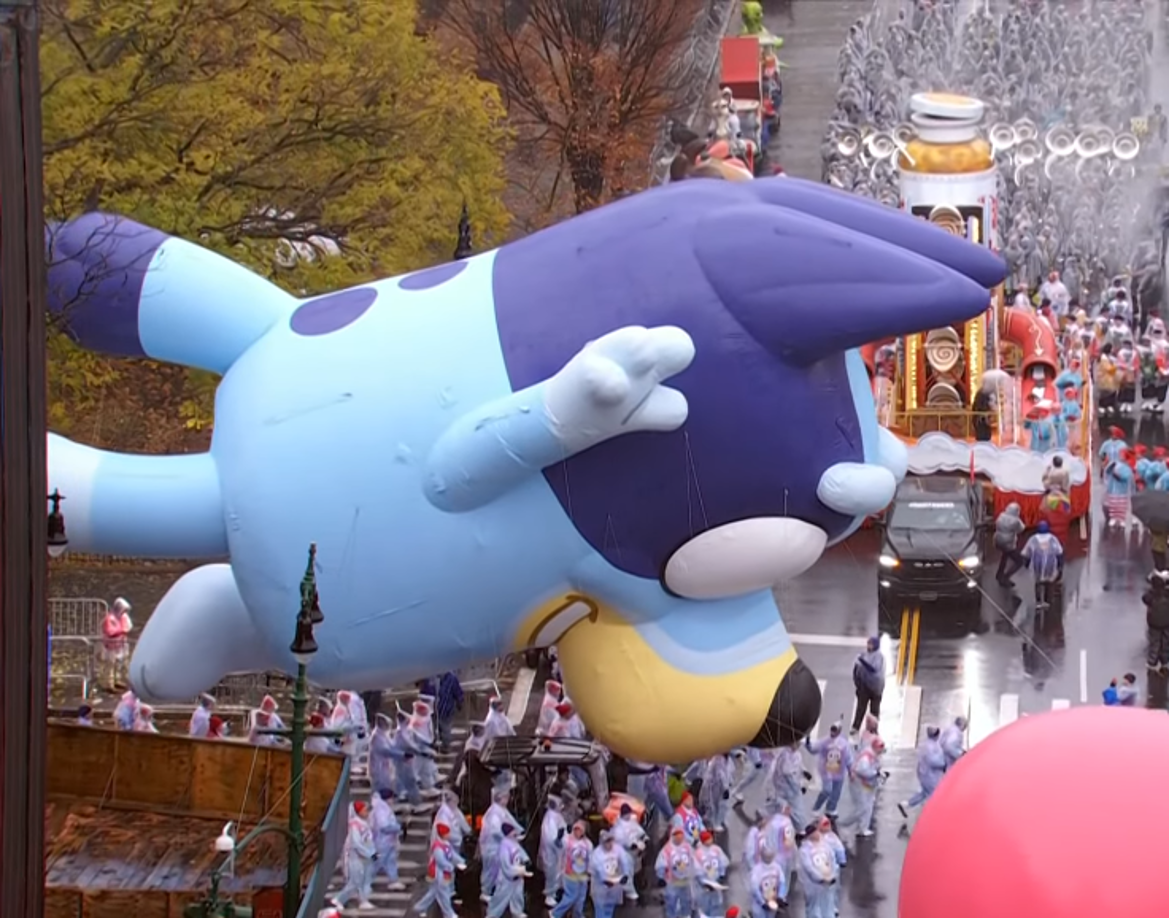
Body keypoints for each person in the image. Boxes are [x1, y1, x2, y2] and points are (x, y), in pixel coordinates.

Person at [479, 788, 523, 903]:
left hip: (499, 847)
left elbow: (511, 822)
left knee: (498, 870)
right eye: (506, 797)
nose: (508, 800)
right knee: (490, 870)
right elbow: (495, 830)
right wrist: (510, 837)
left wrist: (519, 831)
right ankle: (485, 892)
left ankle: (495, 891)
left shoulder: (502, 810)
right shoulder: (493, 812)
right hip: (491, 847)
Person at [332, 801, 376, 911]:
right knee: (355, 881)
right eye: (365, 810)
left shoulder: (364, 823)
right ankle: (338, 899)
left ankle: (363, 900)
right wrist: (369, 853)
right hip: (355, 857)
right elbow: (356, 843)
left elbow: (368, 841)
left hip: (364, 857)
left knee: (363, 880)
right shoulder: (355, 825)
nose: (367, 812)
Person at [838, 736, 884, 838]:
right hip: (859, 784)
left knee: (868, 806)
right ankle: (843, 824)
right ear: (875, 747)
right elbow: (862, 770)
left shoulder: (874, 756)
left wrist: (878, 774)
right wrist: (875, 773)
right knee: (862, 808)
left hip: (868, 784)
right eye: (880, 748)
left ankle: (863, 828)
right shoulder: (866, 757)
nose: (881, 750)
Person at [416, 822, 464, 918]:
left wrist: (460, 861)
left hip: (444, 873)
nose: (449, 835)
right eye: (448, 833)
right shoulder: (438, 847)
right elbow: (441, 861)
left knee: (433, 893)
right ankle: (448, 914)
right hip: (438, 873)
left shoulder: (446, 844)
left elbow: (452, 855)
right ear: (443, 835)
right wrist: (451, 866)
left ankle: (420, 907)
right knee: (444, 894)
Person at [897, 725, 946, 821]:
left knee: (924, 793)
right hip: (931, 776)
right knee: (934, 796)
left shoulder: (925, 745)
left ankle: (906, 804)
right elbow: (934, 761)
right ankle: (932, 817)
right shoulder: (932, 747)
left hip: (923, 773)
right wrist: (943, 764)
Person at [486, 823, 530, 918]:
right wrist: (516, 871)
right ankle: (492, 914)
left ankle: (517, 911)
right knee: (500, 897)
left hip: (518, 873)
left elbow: (521, 852)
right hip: (507, 877)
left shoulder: (514, 842)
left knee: (517, 895)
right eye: (513, 832)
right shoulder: (504, 846)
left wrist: (526, 860)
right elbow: (505, 865)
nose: (515, 833)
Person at [806, 722, 851, 816]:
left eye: (835, 730)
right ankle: (816, 807)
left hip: (839, 771)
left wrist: (850, 770)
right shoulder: (824, 741)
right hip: (827, 771)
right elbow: (813, 749)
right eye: (832, 729)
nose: (833, 732)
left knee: (836, 793)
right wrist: (808, 743)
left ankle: (831, 809)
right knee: (827, 790)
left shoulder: (844, 743)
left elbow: (848, 757)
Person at [551, 821, 593, 918]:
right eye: (576, 829)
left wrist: (590, 872)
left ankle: (577, 915)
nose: (578, 832)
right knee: (571, 896)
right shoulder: (567, 839)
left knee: (581, 897)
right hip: (570, 872)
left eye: (580, 830)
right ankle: (555, 913)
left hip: (583, 874)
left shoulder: (588, 843)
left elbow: (590, 858)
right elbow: (558, 845)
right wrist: (558, 838)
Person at [796, 822, 838, 918]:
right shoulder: (804, 850)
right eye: (815, 832)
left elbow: (832, 860)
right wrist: (820, 878)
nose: (818, 833)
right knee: (813, 908)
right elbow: (808, 867)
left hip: (827, 883)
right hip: (812, 885)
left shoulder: (825, 846)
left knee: (828, 905)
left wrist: (832, 875)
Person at [655, 825, 695, 918]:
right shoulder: (666, 850)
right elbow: (661, 864)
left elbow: (694, 860)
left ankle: (686, 915)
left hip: (685, 879)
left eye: (681, 835)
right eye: (676, 835)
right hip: (672, 880)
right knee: (671, 900)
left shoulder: (687, 847)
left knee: (686, 899)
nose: (679, 838)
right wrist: (661, 877)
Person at [1022, 520, 1064, 608]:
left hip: (1037, 566)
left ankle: (1038, 601)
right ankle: (1047, 600)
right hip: (1050, 566)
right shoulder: (1053, 539)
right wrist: (1060, 565)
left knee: (1037, 583)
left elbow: (1026, 553)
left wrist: (1026, 564)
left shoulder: (1033, 539)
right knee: (1049, 582)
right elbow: (1059, 552)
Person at [610, 802, 647, 901]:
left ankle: (638, 883)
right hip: (624, 852)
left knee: (638, 867)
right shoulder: (618, 828)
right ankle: (629, 891)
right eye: (627, 814)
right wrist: (633, 845)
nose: (628, 816)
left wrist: (644, 838)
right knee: (628, 870)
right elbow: (621, 840)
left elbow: (639, 831)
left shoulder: (632, 821)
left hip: (636, 851)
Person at [371, 787, 406, 890]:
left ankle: (393, 880)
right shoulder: (381, 809)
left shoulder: (384, 808)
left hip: (388, 841)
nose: (393, 800)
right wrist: (398, 828)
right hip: (381, 842)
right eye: (392, 798)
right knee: (376, 863)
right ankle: (364, 882)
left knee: (391, 861)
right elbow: (384, 827)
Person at [768, 740, 808, 828]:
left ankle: (769, 817)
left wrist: (805, 772)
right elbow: (787, 773)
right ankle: (801, 827)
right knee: (797, 809)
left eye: (799, 743)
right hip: (787, 788)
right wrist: (798, 786)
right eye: (796, 743)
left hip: (788, 788)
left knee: (782, 805)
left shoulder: (797, 754)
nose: (798, 745)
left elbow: (799, 766)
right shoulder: (785, 755)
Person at [589, 830, 628, 918]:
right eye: (607, 842)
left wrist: (625, 874)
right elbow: (596, 870)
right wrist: (605, 880)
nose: (609, 844)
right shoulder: (596, 854)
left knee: (610, 905)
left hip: (614, 883)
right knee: (600, 907)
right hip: (600, 886)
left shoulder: (617, 849)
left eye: (610, 841)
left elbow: (625, 861)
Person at [851, 636, 885, 732]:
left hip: (876, 687)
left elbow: (873, 668)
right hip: (864, 685)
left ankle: (873, 729)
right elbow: (856, 670)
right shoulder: (864, 654)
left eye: (871, 644)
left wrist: (862, 661)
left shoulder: (879, 656)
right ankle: (855, 727)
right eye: (868, 644)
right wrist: (857, 684)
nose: (869, 646)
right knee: (860, 708)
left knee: (874, 710)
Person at [99, 598, 133, 691]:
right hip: (111, 645)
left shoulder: (122, 617)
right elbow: (110, 631)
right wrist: (121, 630)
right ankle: (109, 684)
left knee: (118, 663)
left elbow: (128, 626)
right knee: (110, 664)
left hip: (120, 643)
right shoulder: (110, 618)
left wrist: (124, 630)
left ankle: (117, 680)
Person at [692, 830, 729, 916]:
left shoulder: (716, 849)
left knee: (716, 906)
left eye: (710, 838)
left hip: (716, 882)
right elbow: (696, 870)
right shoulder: (697, 853)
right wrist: (703, 882)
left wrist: (721, 875)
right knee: (703, 909)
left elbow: (723, 862)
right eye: (708, 838)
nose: (710, 840)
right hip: (703, 887)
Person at [540, 795, 568, 906]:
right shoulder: (550, 818)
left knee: (559, 872)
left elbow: (563, 829)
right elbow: (550, 838)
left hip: (559, 853)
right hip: (551, 853)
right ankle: (549, 896)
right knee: (551, 874)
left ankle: (557, 892)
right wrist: (558, 841)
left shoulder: (557, 816)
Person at [697, 752, 734, 833]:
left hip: (720, 785)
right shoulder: (718, 759)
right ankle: (714, 823)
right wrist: (725, 788)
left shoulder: (727, 759)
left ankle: (720, 820)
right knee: (714, 804)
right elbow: (720, 775)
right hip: (714, 785)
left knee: (723, 804)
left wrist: (729, 783)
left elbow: (729, 771)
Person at [747, 845, 785, 918]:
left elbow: (782, 882)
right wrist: (762, 902)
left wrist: (780, 897)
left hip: (772, 900)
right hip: (759, 906)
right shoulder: (756, 871)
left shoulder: (777, 867)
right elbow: (754, 889)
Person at [994, 503, 1027, 586]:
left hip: (998, 540)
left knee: (1004, 556)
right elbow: (1021, 529)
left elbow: (996, 524)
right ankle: (1006, 577)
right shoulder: (1016, 521)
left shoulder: (1001, 515)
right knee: (1019, 561)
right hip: (1008, 543)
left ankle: (999, 574)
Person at [1145, 571, 1169, 672]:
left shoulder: (1151, 594)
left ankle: (1152, 662)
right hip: (1166, 622)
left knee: (1154, 642)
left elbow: (1145, 599)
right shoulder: (1167, 594)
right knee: (1165, 641)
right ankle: (1165, 661)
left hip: (1154, 623)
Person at [435, 672, 464, 752]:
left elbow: (458, 692)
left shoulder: (452, 678)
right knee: (434, 729)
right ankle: (435, 746)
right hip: (434, 709)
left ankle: (446, 747)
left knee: (446, 729)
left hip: (447, 708)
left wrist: (460, 702)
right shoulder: (434, 677)